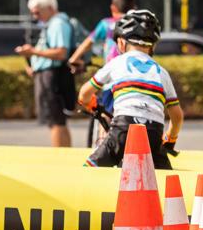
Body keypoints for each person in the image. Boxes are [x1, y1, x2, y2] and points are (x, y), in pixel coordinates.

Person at [77, 9, 183, 169]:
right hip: (154, 132)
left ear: (120, 42)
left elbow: (84, 93)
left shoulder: (115, 63)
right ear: (153, 45)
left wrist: (90, 104)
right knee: (162, 176)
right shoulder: (162, 72)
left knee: (91, 169)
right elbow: (177, 116)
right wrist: (170, 139)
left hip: (122, 128)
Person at [15, 0, 75, 147]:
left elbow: (61, 52)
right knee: (57, 121)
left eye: (37, 12)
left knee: (55, 122)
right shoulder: (55, 23)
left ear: (49, 8)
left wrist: (33, 52)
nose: (36, 17)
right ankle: (65, 157)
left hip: (53, 78)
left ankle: (60, 160)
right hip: (50, 75)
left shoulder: (58, 24)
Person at [68, 0, 137, 71]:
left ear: (113, 8)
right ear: (134, 8)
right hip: (133, 73)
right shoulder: (138, 24)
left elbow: (88, 43)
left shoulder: (106, 24)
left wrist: (74, 59)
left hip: (111, 73)